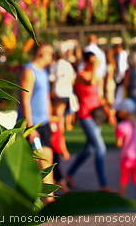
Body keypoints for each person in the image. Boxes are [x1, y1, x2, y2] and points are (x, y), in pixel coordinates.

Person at [64, 50, 116, 192]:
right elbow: (90, 81)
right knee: (100, 149)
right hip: (85, 116)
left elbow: (100, 96)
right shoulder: (79, 76)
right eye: (92, 62)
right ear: (86, 62)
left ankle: (68, 175)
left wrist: (109, 112)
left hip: (96, 115)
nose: (94, 64)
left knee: (88, 150)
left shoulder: (97, 76)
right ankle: (103, 185)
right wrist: (95, 67)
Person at [19, 43, 55, 191]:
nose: (51, 57)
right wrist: (30, 128)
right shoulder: (29, 71)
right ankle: (48, 204)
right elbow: (25, 100)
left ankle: (48, 203)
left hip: (44, 123)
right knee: (41, 165)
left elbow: (45, 97)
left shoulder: (43, 72)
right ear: (41, 53)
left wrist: (51, 118)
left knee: (47, 163)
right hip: (33, 125)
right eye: (50, 54)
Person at [50, 45, 77, 131]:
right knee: (65, 110)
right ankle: (66, 125)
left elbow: (51, 78)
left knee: (59, 112)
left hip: (58, 91)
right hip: (67, 91)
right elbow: (73, 78)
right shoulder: (68, 65)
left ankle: (60, 126)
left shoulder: (54, 65)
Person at [49, 96, 71, 194]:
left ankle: (53, 190)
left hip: (57, 151)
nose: (62, 111)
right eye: (60, 108)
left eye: (63, 109)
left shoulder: (59, 122)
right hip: (51, 151)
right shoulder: (49, 121)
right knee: (56, 171)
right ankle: (64, 190)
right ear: (53, 108)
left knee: (55, 171)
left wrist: (64, 150)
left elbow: (61, 137)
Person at [111, 40, 129, 108]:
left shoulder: (122, 55)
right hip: (120, 78)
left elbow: (122, 68)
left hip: (122, 78)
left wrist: (121, 77)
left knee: (120, 96)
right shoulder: (119, 55)